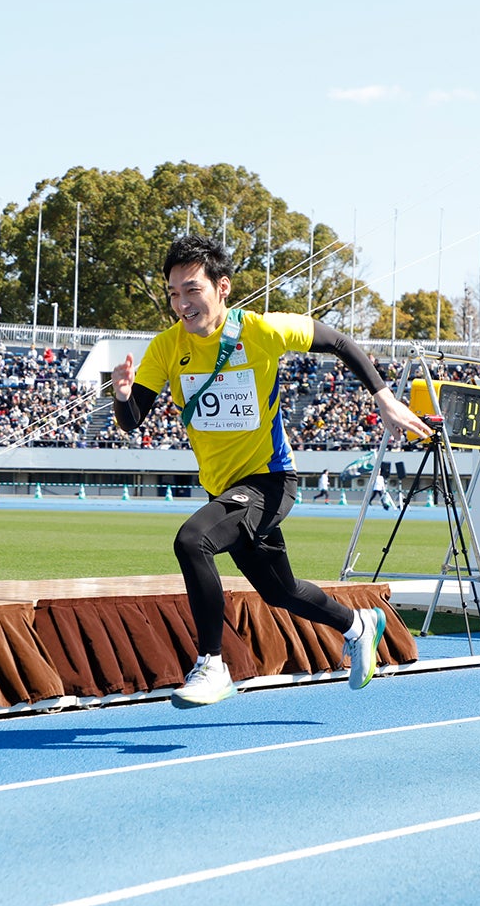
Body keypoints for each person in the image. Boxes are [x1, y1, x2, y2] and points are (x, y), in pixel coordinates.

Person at [112, 235, 432, 708]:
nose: (182, 303)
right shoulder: (165, 347)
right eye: (174, 293)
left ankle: (212, 664)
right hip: (225, 489)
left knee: (192, 540)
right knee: (281, 591)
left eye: (192, 289)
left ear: (222, 287)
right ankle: (358, 624)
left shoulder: (261, 330)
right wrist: (122, 396)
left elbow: (339, 341)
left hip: (271, 479)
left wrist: (384, 398)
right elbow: (132, 420)